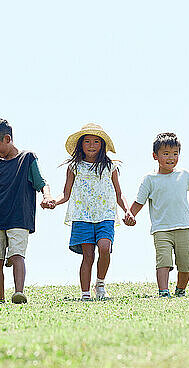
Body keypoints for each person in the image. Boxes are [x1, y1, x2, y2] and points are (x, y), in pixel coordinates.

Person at [0, 118, 54, 304]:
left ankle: (19, 292)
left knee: (17, 254)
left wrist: (47, 197)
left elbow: (41, 182)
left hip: (19, 217)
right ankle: (0, 299)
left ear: (7, 138)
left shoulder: (27, 159)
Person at [125, 133, 189, 298]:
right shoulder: (149, 179)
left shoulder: (184, 175)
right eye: (166, 153)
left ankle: (180, 290)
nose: (171, 157)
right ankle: (163, 292)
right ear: (155, 156)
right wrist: (130, 215)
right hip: (161, 229)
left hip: (183, 227)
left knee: (185, 263)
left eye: (175, 153)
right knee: (163, 261)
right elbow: (139, 202)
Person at [51, 123, 134, 300]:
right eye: (87, 141)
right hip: (82, 216)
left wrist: (127, 210)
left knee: (105, 248)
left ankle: (100, 283)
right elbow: (65, 194)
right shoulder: (74, 167)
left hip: (105, 215)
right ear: (80, 144)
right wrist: (53, 202)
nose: (91, 145)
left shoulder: (110, 166)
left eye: (96, 141)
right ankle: (85, 294)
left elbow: (119, 194)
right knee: (87, 255)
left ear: (102, 145)